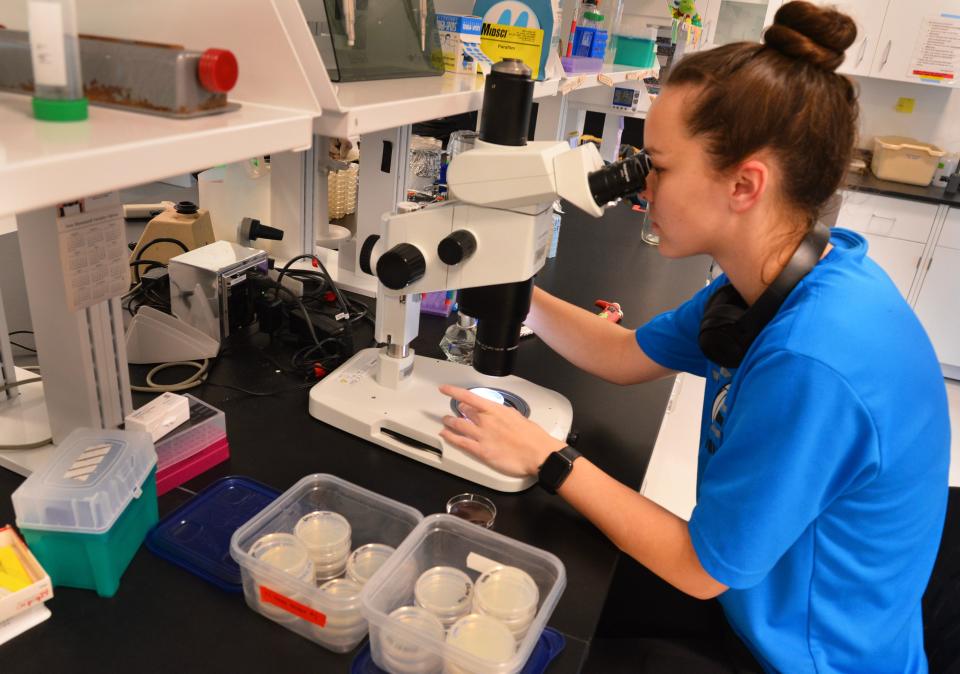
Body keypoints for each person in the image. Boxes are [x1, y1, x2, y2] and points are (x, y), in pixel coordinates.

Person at [438, 2, 951, 672]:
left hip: (805, 655)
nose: (641, 187)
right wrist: (509, 285)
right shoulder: (777, 276)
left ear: (745, 184)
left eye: (658, 165)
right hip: (760, 602)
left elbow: (700, 567)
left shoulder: (814, 359)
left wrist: (548, 457)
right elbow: (624, 356)